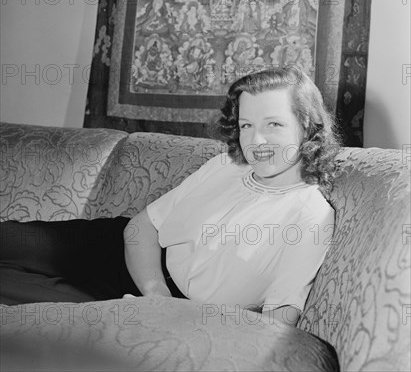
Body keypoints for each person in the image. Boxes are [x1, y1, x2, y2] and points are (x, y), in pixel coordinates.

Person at [0, 67, 340, 326]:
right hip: (116, 252)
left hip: (152, 307)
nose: (256, 141)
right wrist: (157, 295)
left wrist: (167, 316)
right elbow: (141, 228)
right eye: (247, 125)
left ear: (308, 126)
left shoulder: (310, 216)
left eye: (274, 125)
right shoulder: (225, 166)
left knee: (20, 306)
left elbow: (279, 315)